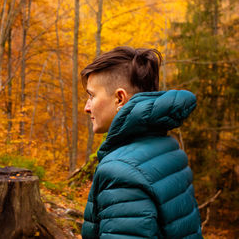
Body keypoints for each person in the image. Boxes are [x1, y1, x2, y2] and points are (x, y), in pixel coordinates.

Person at [80, 46, 203, 238]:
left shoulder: (120, 170)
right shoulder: (167, 148)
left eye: (92, 95)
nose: (87, 107)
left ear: (120, 98)